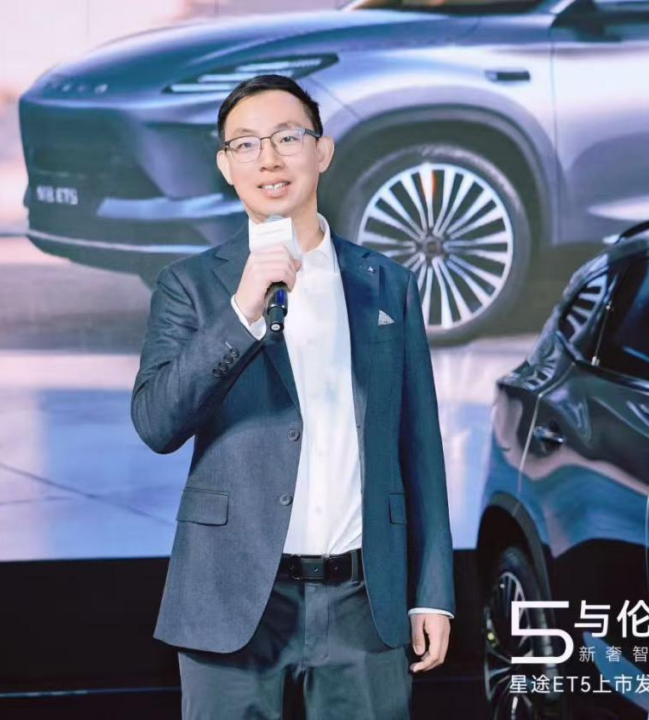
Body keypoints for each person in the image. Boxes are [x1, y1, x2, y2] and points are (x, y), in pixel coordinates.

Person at [130, 73, 455, 719]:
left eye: (287, 138)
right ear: (226, 167)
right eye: (246, 144)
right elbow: (157, 422)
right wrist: (242, 313)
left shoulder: (385, 283)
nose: (269, 159)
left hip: (364, 599)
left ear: (321, 151)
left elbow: (418, 443)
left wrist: (432, 592)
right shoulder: (190, 285)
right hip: (231, 595)